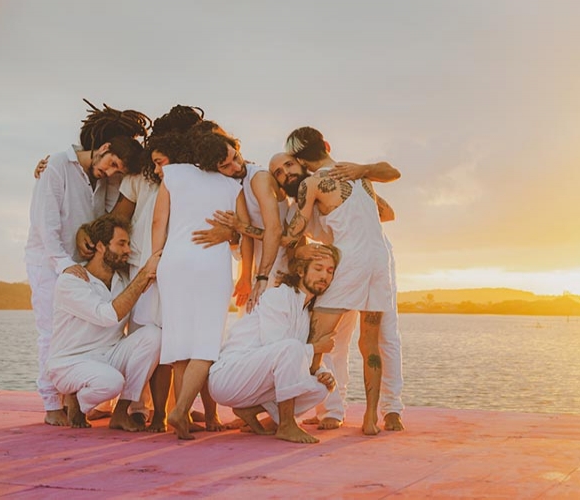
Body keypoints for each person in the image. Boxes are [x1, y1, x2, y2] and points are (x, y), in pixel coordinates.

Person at [25, 101, 149, 426]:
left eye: (117, 169)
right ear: (103, 147)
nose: (109, 171)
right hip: (51, 263)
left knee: (95, 329)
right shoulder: (56, 165)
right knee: (49, 332)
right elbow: (45, 225)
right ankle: (52, 403)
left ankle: (78, 392)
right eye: (110, 163)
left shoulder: (106, 179)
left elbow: (106, 219)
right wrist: (65, 265)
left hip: (83, 264)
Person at [281, 126, 399, 435]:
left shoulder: (313, 182)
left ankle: (289, 414)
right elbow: (391, 177)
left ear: (300, 160)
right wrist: (366, 169)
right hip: (379, 263)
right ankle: (371, 418)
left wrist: (250, 229)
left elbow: (293, 233)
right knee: (370, 343)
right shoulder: (358, 175)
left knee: (314, 340)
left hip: (349, 263)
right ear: (326, 145)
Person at [152, 129, 251, 440]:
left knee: (180, 345)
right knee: (206, 345)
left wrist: (155, 257)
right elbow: (246, 233)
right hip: (210, 265)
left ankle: (180, 413)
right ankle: (180, 410)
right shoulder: (232, 186)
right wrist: (247, 273)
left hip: (174, 263)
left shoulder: (174, 174)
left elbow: (159, 221)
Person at [208, 243, 340, 443]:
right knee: (290, 348)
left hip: (254, 383)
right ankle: (287, 425)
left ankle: (251, 411)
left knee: (321, 388)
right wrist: (317, 348)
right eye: (318, 269)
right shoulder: (279, 296)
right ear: (301, 271)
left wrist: (322, 373)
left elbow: (291, 359)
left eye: (330, 271)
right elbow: (280, 347)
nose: (325, 276)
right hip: (228, 377)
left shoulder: (305, 312)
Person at [45, 214, 161, 431]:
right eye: (121, 243)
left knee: (154, 335)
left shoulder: (122, 280)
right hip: (71, 363)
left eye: (128, 243)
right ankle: (76, 401)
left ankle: (120, 412)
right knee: (111, 382)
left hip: (109, 356)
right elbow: (107, 315)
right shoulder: (71, 281)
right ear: (100, 246)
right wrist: (145, 273)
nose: (128, 250)